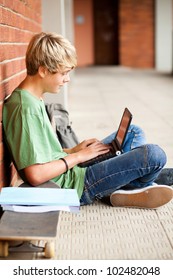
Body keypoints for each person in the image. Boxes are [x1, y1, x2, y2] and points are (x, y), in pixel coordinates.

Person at [2, 32, 173, 209]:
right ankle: (134, 185)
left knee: (133, 131)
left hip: (72, 167)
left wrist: (73, 150)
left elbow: (42, 153)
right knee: (154, 155)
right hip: (75, 185)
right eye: (64, 73)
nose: (67, 79)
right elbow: (35, 174)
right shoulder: (25, 109)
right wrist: (79, 156)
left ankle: (129, 183)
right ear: (43, 70)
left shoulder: (32, 98)